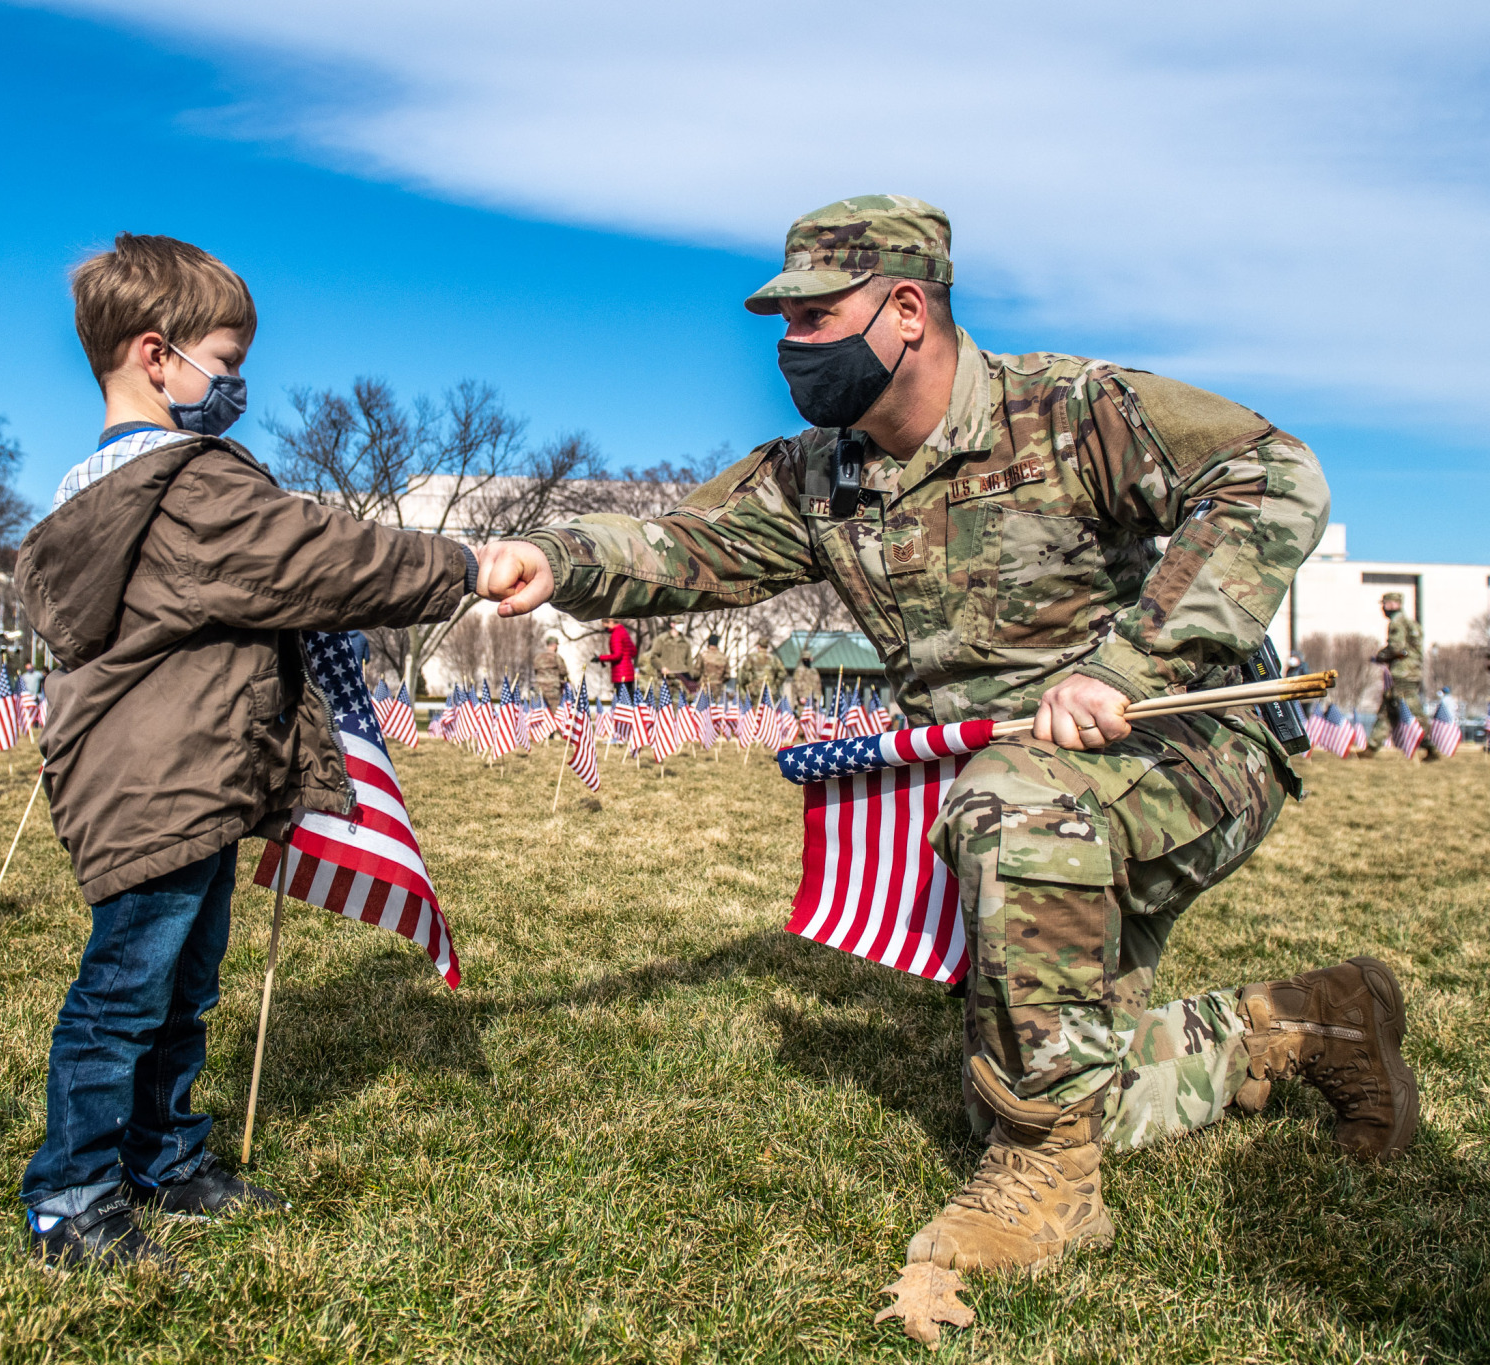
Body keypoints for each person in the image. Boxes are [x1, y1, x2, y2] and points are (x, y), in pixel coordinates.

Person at [474, 196, 1413, 1299]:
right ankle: (1310, 1022)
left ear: (906, 310)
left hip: (1190, 743)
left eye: (816, 318)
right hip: (1028, 782)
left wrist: (1124, 668)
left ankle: (1043, 1183)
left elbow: (1273, 474)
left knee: (1006, 824)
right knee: (1040, 1069)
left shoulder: (1067, 411)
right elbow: (686, 545)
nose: (789, 346)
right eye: (783, 323)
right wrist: (556, 554)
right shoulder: (820, 474)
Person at [14, 232, 478, 1272]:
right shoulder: (183, 488)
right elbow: (315, 556)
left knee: (181, 989)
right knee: (123, 995)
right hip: (159, 781)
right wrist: (463, 563)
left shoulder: (102, 486)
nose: (235, 386)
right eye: (224, 364)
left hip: (184, 777)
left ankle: (163, 1160)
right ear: (153, 355)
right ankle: (70, 1197)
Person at [1365, 592, 1435, 760]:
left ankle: (1431, 745)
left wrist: (1380, 656)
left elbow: (1396, 648)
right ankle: (1372, 747)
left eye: (1385, 604)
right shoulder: (1411, 622)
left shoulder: (1397, 622)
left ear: (1392, 604)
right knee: (1388, 709)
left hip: (1402, 673)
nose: (1383, 608)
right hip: (1411, 671)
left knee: (1412, 709)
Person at [651, 620, 698, 696]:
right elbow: (653, 656)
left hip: (682, 677)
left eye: (682, 623)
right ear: (672, 624)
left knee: (680, 704)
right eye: (679, 623)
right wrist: (661, 667)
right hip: (666, 677)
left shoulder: (685, 641)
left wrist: (690, 681)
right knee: (664, 705)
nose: (681, 626)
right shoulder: (662, 639)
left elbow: (689, 661)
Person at [595, 620, 637, 692]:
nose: (606, 629)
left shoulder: (616, 634)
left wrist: (600, 658)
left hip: (620, 675)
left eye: (605, 626)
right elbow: (634, 652)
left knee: (621, 702)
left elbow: (617, 655)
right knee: (629, 700)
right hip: (629, 675)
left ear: (611, 622)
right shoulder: (624, 631)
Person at [531, 634, 569, 701]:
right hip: (553, 689)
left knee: (539, 710)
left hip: (539, 687)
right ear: (554, 645)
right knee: (553, 710)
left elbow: (535, 671)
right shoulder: (557, 657)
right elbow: (563, 672)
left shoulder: (538, 657)